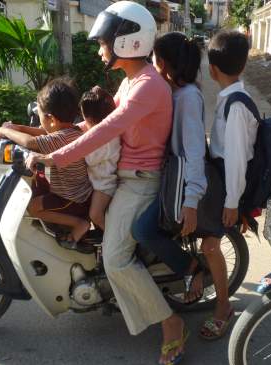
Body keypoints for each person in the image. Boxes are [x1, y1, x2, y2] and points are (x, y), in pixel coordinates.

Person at [25, 2, 188, 364]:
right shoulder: (131, 81)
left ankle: (171, 323)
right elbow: (92, 125)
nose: (99, 49)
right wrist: (42, 137)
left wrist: (55, 157)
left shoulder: (147, 86)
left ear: (127, 42)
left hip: (140, 182)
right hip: (121, 177)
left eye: (103, 43)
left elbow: (105, 132)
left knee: (115, 261)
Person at [131, 32, 207, 305]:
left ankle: (191, 267)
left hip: (179, 182)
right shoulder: (172, 92)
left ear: (162, 62)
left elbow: (196, 150)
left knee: (143, 230)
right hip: (164, 175)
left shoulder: (187, 97)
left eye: (153, 58)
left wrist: (191, 200)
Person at [199, 30, 257, 340]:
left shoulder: (236, 106)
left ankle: (223, 307)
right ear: (243, 66)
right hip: (221, 182)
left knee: (210, 246)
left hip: (227, 186)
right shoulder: (230, 100)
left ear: (212, 69)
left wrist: (232, 202)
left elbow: (235, 159)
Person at [0, 78, 93, 248]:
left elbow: (32, 142)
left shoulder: (61, 138)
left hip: (71, 200)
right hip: (74, 194)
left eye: (40, 116)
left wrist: (4, 130)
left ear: (51, 119)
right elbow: (42, 132)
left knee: (33, 207)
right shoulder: (71, 131)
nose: (40, 122)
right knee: (38, 186)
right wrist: (16, 127)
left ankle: (79, 224)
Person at [80, 86, 121, 230]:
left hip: (104, 185)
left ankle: (112, 235)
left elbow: (89, 159)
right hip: (99, 182)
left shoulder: (104, 139)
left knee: (95, 215)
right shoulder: (107, 131)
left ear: (89, 119)